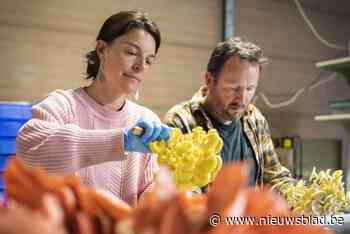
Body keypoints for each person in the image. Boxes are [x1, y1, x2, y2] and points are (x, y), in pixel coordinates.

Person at [16, 10, 171, 207]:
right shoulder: (62, 105)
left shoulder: (147, 120)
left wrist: (173, 182)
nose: (140, 66)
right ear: (102, 49)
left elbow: (149, 195)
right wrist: (120, 140)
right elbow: (29, 152)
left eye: (149, 60)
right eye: (132, 53)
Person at [164, 37, 296, 195]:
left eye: (250, 89)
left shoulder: (254, 119)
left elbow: (274, 177)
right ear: (209, 80)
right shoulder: (180, 122)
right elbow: (182, 194)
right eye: (234, 88)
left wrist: (304, 198)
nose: (242, 99)